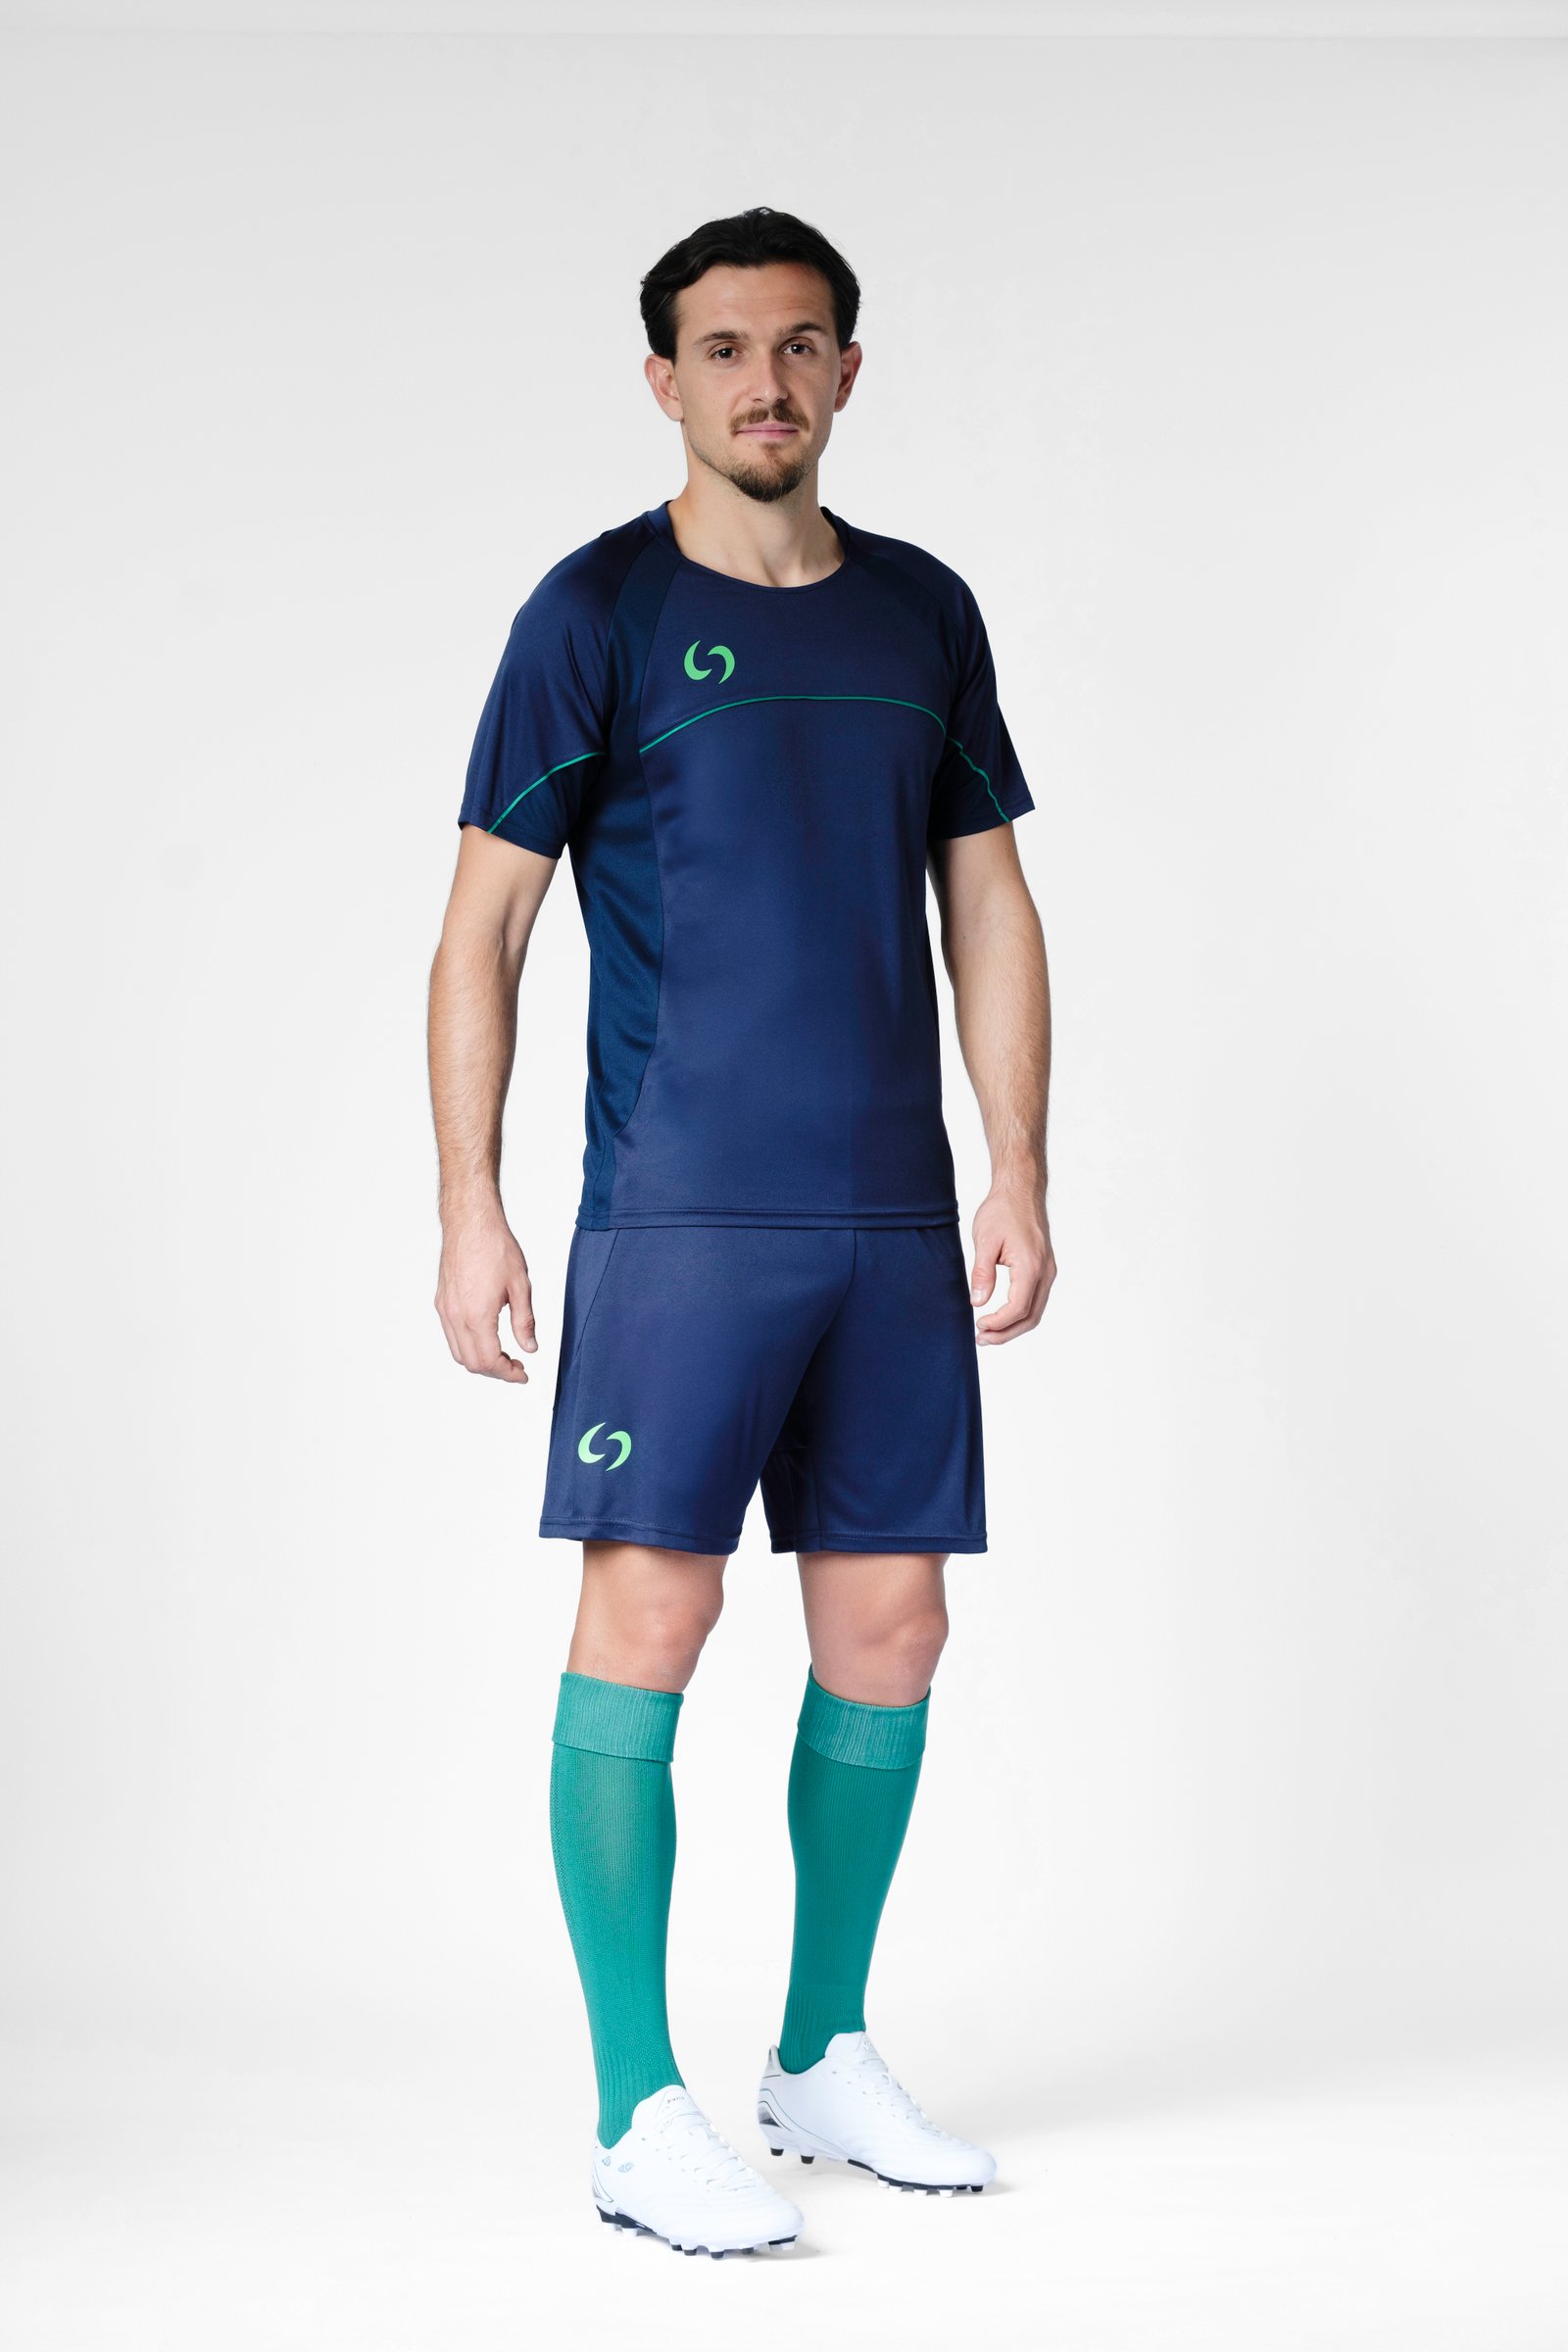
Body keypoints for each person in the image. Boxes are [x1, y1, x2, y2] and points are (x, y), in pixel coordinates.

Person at [427, 205, 1054, 2260]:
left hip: (888, 1215)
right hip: (681, 1215)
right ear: (663, 381)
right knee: (650, 1624)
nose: (762, 381)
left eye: (798, 346)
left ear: (846, 373)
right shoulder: (593, 611)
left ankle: (819, 2051)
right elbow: (483, 929)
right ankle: (636, 2107)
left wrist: (1017, 1167)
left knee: (891, 1632)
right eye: (721, 349)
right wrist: (470, 1205)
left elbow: (986, 901)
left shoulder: (923, 612)